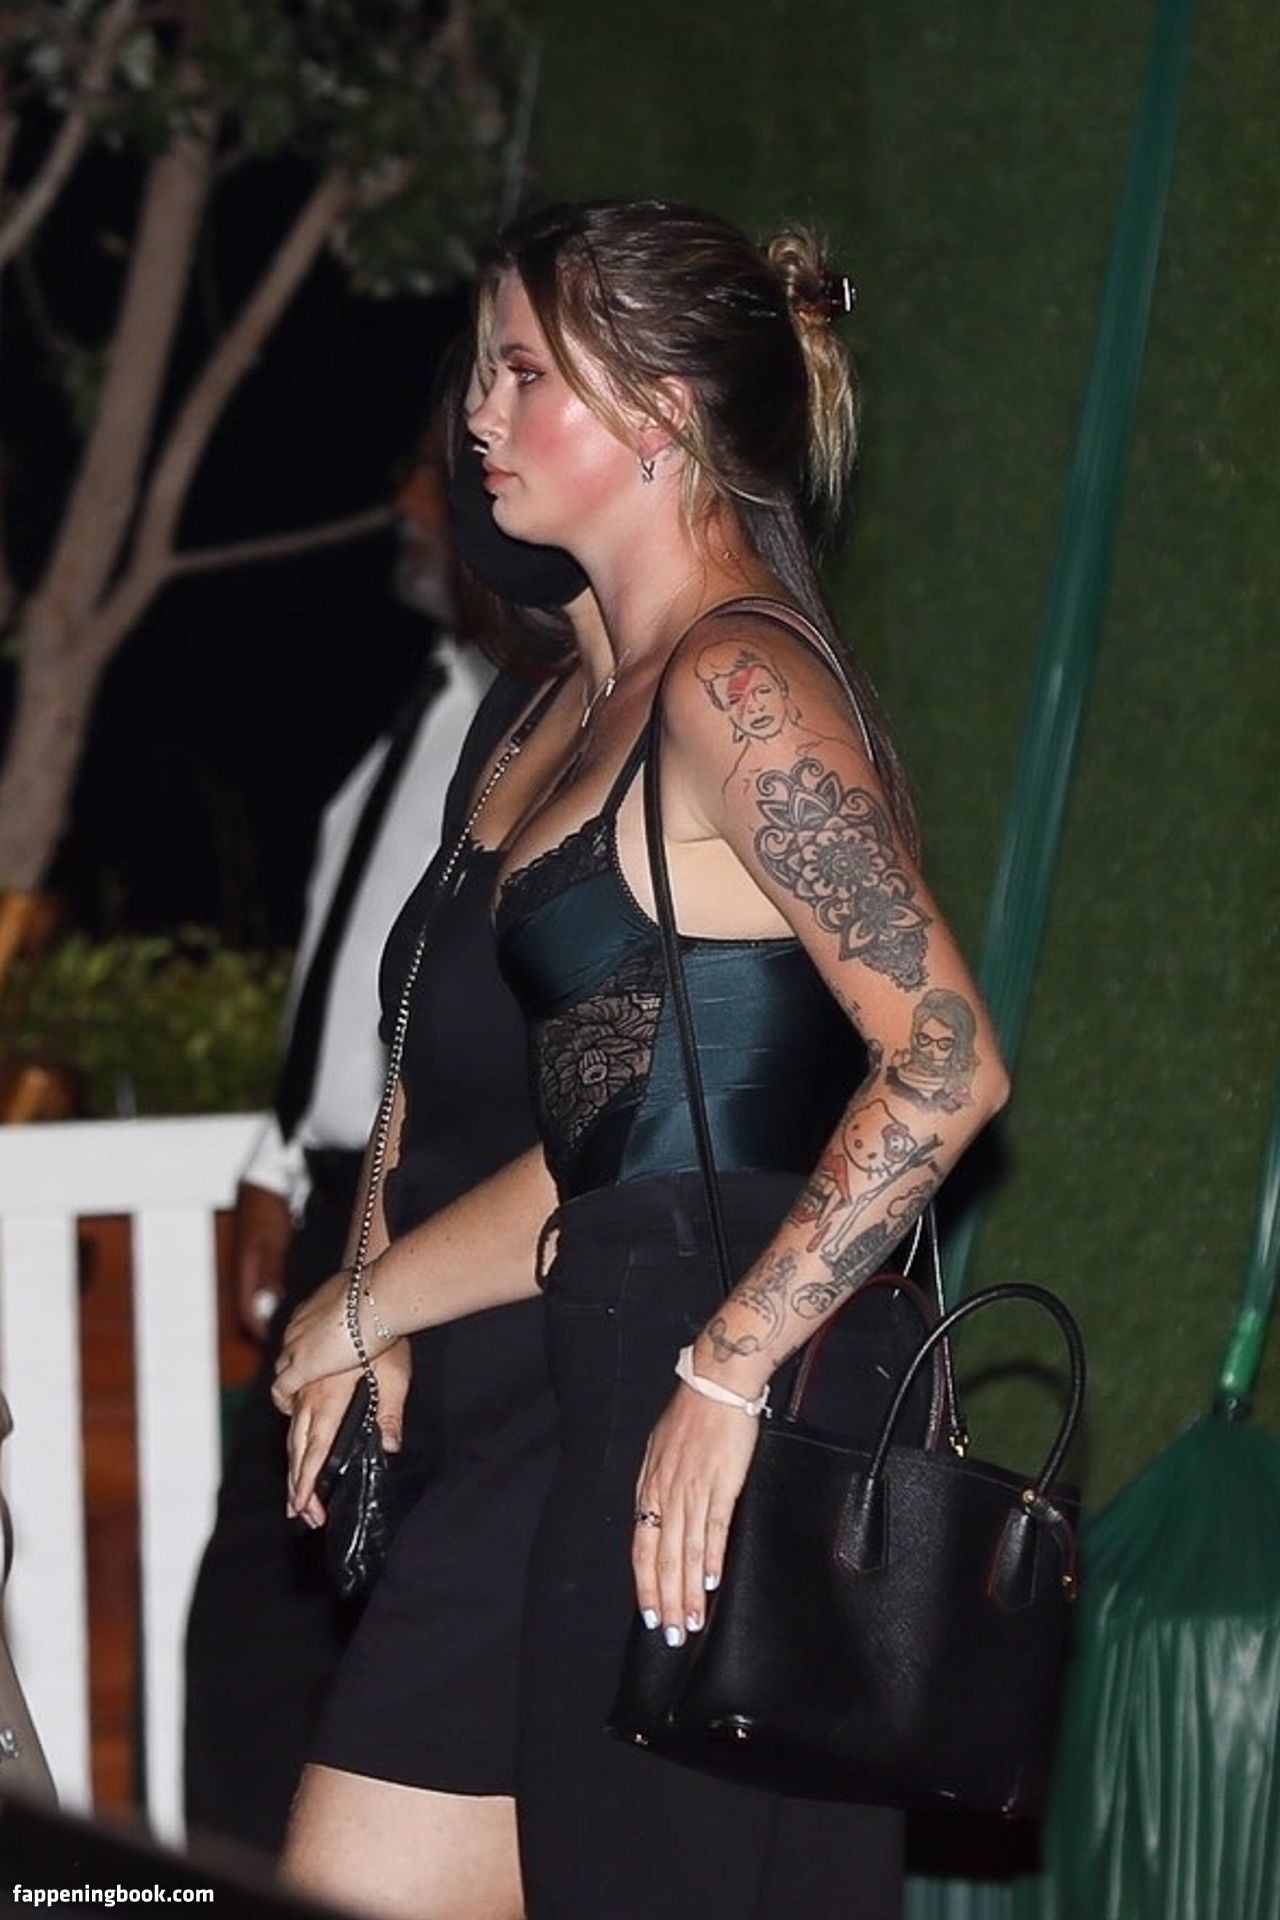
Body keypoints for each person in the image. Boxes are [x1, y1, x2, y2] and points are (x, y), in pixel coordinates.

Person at [274, 197, 1010, 1920]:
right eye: (481, 370)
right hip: (563, 1376)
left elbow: (945, 1063)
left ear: (665, 410)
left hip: (687, 1381)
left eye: (524, 373)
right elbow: (440, 1052)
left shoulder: (738, 685)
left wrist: (728, 1374)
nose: (477, 413)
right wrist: (377, 1296)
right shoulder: (569, 697)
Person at [183, 441, 494, 1858]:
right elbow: (355, 984)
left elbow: (455, 1025)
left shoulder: (528, 731)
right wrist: (272, 1160)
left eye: (435, 481)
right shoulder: (420, 722)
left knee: (323, 1593)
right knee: (266, 1591)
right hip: (336, 1198)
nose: (408, 509)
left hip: (430, 1212)